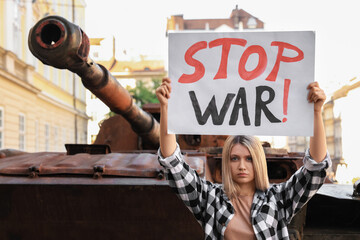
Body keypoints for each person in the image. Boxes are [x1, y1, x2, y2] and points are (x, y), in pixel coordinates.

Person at [156, 78, 331, 240]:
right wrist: (165, 109)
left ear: (259, 162)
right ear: (226, 162)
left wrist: (316, 112)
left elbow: (315, 167)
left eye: (249, 159)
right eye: (234, 158)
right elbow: (173, 163)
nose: (242, 166)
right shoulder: (211, 198)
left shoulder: (278, 198)